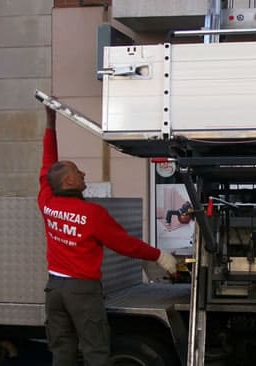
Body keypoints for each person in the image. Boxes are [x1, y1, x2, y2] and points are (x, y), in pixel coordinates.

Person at [38, 105, 177, 366]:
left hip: (55, 289)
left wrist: (50, 124)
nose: (83, 174)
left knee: (62, 350)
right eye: (78, 172)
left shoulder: (46, 202)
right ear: (68, 182)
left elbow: (47, 165)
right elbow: (125, 244)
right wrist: (158, 255)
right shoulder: (92, 214)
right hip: (82, 291)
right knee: (96, 351)